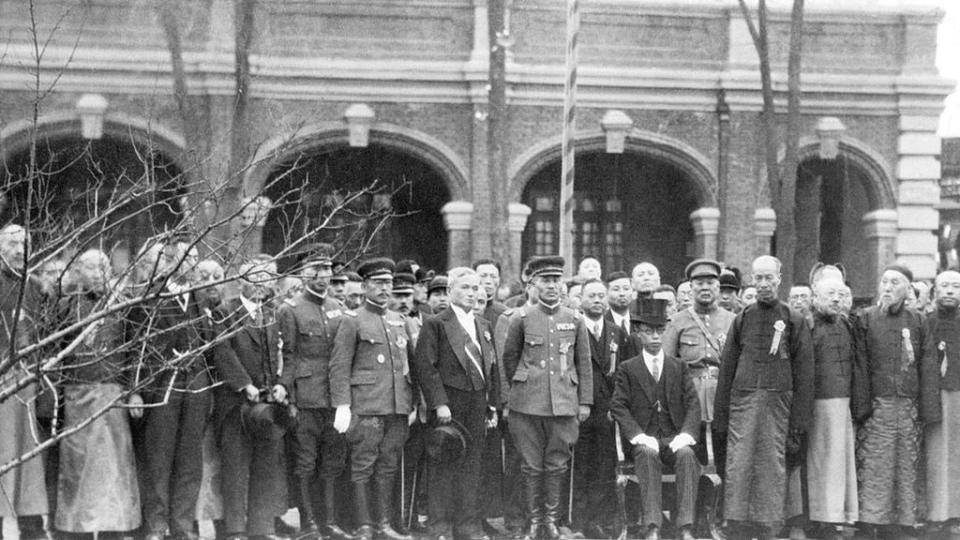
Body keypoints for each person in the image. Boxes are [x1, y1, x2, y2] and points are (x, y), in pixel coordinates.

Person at [713, 255, 814, 540]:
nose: (764, 284)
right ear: (752, 281)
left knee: (771, 462)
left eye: (770, 278)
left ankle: (768, 522)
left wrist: (799, 421)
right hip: (743, 402)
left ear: (780, 279)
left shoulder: (793, 320)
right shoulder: (742, 318)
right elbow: (727, 369)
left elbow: (804, 374)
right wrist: (722, 415)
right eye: (759, 278)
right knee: (739, 461)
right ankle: (736, 521)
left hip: (778, 403)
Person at [128, 236, 217, 540]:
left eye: (195, 258)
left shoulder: (201, 300)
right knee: (158, 458)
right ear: (171, 261)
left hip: (197, 386)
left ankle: (182, 525)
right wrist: (135, 389)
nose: (192, 264)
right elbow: (136, 346)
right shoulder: (151, 298)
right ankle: (156, 525)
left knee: (190, 459)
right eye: (186, 258)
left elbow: (210, 347)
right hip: (161, 384)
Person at [501, 256, 593, 540]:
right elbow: (510, 359)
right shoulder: (521, 318)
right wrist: (515, 395)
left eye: (556, 280)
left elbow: (584, 363)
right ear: (534, 283)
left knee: (557, 464)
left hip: (564, 403)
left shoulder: (575, 319)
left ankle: (551, 521)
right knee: (530, 465)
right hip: (527, 405)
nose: (552, 285)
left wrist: (585, 402)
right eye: (546, 280)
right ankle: (534, 522)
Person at [54, 249, 141, 538]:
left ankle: (113, 528)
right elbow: (55, 353)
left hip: (113, 394)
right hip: (77, 395)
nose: (98, 273)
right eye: (91, 268)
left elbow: (135, 350)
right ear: (78, 272)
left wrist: (133, 391)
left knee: (113, 465)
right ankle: (76, 529)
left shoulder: (124, 306)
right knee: (79, 465)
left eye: (104, 267)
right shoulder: (65, 306)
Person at [330, 258, 417, 540]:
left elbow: (410, 367)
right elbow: (340, 366)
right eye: (378, 283)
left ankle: (383, 524)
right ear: (365, 285)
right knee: (363, 464)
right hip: (366, 406)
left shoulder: (398, 321)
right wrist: (342, 405)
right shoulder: (352, 320)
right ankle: (364, 524)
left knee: (388, 464)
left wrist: (414, 403)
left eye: (388, 283)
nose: (384, 288)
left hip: (397, 407)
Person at [413, 267, 500, 540]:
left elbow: (491, 367)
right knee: (443, 465)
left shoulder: (483, 325)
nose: (472, 293)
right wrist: (439, 403)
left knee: (472, 466)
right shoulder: (436, 323)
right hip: (449, 403)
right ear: (450, 291)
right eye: (466, 288)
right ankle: (440, 527)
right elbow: (426, 367)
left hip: (477, 400)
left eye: (476, 288)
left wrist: (491, 405)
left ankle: (467, 526)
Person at [277, 248, 357, 540]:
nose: (322, 275)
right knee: (305, 461)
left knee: (332, 461)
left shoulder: (339, 308)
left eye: (325, 269)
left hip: (335, 398)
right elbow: (290, 355)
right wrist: (293, 400)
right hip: (306, 398)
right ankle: (309, 523)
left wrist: (345, 400)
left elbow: (345, 357)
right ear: (302, 273)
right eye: (315, 269)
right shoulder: (291, 309)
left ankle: (330, 522)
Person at [855, 264, 938, 539]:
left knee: (905, 462)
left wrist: (927, 407)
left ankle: (902, 522)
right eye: (885, 282)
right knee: (876, 463)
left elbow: (926, 363)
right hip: (877, 405)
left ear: (907, 290)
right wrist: (863, 403)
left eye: (895, 283)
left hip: (908, 405)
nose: (888, 288)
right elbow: (860, 363)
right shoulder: (866, 318)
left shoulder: (917, 321)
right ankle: (869, 521)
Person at [611, 298, 700, 540]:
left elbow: (693, 404)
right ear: (638, 333)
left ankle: (685, 526)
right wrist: (638, 436)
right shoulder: (628, 368)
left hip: (673, 438)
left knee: (687, 455)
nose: (655, 337)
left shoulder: (678, 367)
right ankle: (652, 526)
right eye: (649, 331)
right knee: (648, 455)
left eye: (660, 331)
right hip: (645, 441)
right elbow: (618, 405)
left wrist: (686, 435)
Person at [215, 257, 289, 540]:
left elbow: (280, 354)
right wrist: (244, 383)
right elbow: (222, 351)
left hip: (267, 405)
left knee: (265, 465)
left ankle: (262, 527)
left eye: (268, 279)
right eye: (257, 279)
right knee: (235, 468)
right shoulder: (226, 312)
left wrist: (281, 385)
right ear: (242, 282)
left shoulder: (271, 313)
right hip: (236, 403)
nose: (263, 285)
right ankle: (234, 529)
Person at [661, 259, 735, 467]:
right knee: (692, 452)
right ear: (691, 288)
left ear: (718, 287)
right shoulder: (678, 321)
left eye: (710, 283)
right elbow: (669, 364)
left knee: (723, 451)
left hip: (722, 395)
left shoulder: (732, 320)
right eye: (699, 283)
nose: (705, 288)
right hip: (689, 395)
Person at [0, 224, 49, 539]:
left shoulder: (35, 287)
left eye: (24, 245)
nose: (20, 251)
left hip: (28, 379)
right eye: (13, 244)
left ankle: (32, 526)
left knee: (30, 455)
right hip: (2, 380)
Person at [572, 279, 630, 538]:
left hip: (607, 411)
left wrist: (616, 404)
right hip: (579, 408)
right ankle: (578, 522)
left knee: (605, 465)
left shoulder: (616, 331)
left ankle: (599, 520)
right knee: (580, 464)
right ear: (581, 300)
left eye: (600, 295)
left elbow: (624, 372)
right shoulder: (573, 328)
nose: (597, 300)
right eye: (591, 296)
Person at [805, 277, 863, 540]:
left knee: (840, 462)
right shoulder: (807, 326)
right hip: (819, 404)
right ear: (815, 298)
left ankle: (839, 516)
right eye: (830, 294)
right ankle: (822, 518)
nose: (836, 300)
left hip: (844, 403)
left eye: (840, 294)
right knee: (822, 462)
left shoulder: (847, 325)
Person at [925, 270, 960, 535]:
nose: (950, 291)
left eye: (955, 287)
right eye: (945, 286)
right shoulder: (925, 322)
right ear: (935, 291)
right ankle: (936, 512)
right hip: (936, 395)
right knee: (937, 456)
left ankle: (956, 513)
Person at [474, 259, 509, 326]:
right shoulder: (462, 309)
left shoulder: (505, 314)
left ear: (498, 280)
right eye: (483, 276)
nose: (488, 281)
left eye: (493, 277)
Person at [605, 271, 634, 336]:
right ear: (606, 293)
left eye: (626, 289)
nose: (622, 293)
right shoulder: (602, 323)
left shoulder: (639, 323)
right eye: (616, 289)